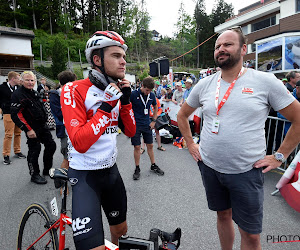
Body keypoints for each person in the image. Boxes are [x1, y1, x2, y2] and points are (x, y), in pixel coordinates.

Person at [177, 27, 300, 250]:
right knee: (222, 215)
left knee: (251, 235)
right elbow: (182, 114)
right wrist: (191, 143)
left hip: (246, 172)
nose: (221, 49)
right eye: (217, 46)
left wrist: (279, 157)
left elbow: (298, 118)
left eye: (227, 44)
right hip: (210, 167)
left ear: (243, 49)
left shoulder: (265, 81)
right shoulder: (205, 84)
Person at [61, 31, 136, 250]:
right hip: (84, 175)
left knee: (121, 233)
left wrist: (127, 101)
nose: (123, 61)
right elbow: (79, 142)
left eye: (123, 56)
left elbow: (131, 131)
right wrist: (106, 107)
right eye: (116, 56)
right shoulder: (73, 89)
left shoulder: (115, 90)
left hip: (110, 172)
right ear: (97, 59)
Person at [11, 71, 57, 184]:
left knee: (51, 145)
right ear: (21, 81)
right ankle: (34, 174)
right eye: (27, 80)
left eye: (32, 80)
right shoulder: (17, 94)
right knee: (34, 150)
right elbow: (16, 114)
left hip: (42, 126)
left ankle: (47, 169)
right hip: (31, 127)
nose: (30, 82)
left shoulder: (35, 93)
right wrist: (28, 129)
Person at [130, 76, 164, 180]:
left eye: (150, 90)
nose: (148, 92)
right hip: (135, 124)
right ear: (142, 86)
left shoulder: (152, 95)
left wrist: (154, 120)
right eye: (147, 90)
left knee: (150, 145)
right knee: (137, 147)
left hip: (147, 124)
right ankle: (137, 168)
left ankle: (153, 165)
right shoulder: (133, 94)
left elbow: (156, 106)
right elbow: (127, 108)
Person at [49, 70, 77, 171]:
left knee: (75, 156)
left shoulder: (75, 93)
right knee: (67, 156)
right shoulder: (55, 94)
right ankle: (62, 184)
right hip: (65, 129)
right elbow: (59, 114)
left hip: (76, 128)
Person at [0, 71, 26, 165]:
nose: (20, 80)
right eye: (18, 78)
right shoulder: (2, 88)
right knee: (8, 135)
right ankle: (6, 155)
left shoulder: (19, 88)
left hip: (18, 113)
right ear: (13, 79)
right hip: (8, 113)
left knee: (18, 133)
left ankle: (17, 151)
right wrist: (2, 108)